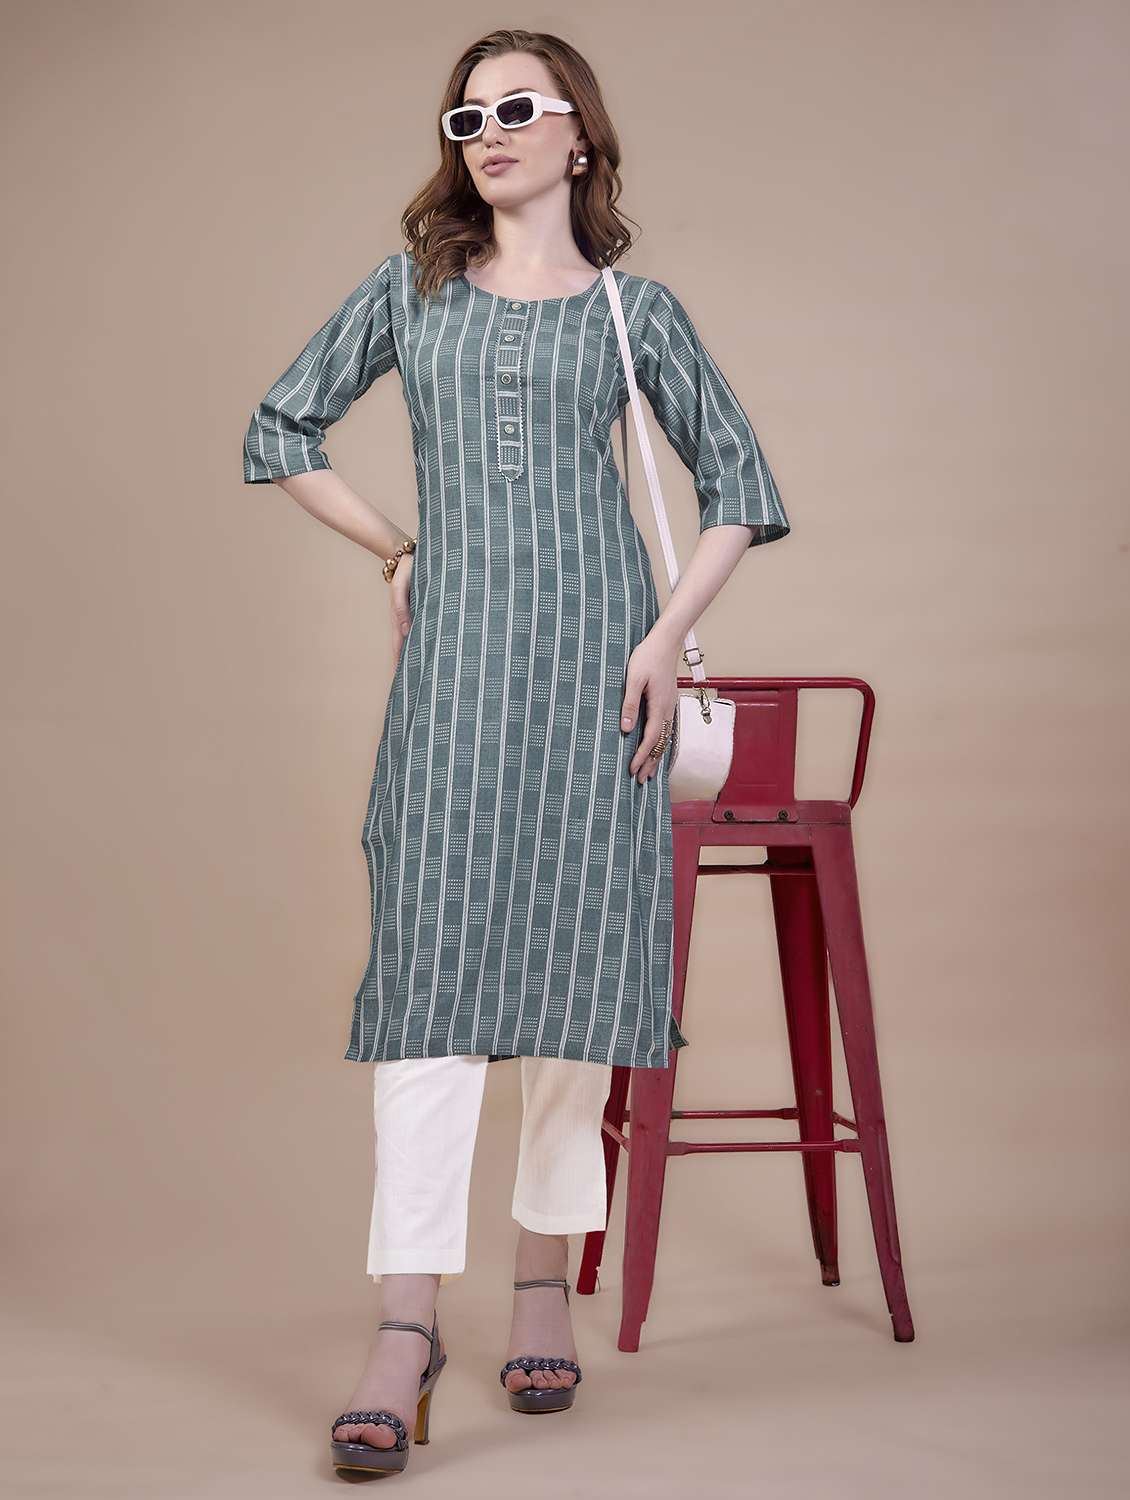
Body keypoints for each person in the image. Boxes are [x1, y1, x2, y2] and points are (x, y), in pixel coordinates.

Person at [241, 26, 790, 1478]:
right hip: (455, 686)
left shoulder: (633, 311)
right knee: (428, 990)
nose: (487, 133)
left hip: (600, 683)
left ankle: (542, 1283)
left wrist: (659, 638)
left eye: (517, 109)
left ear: (578, 135)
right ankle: (405, 1325)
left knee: (574, 983)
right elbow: (282, 426)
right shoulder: (408, 294)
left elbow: (739, 486)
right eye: (465, 116)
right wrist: (396, 551)